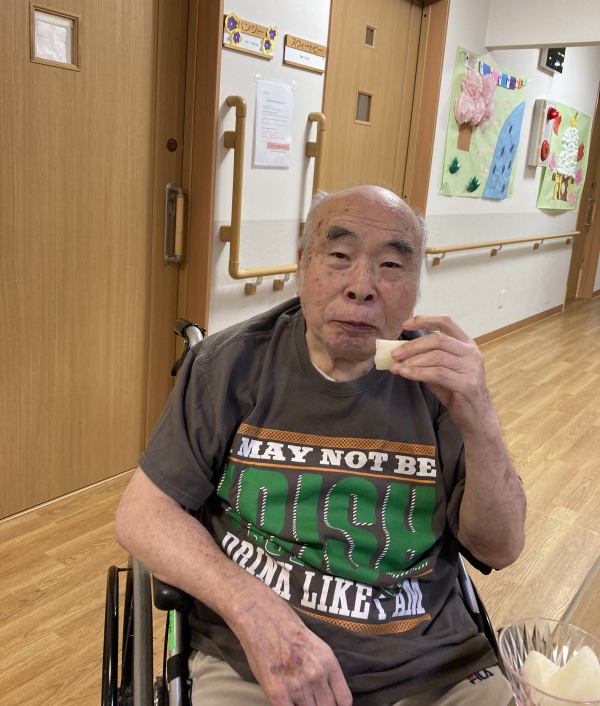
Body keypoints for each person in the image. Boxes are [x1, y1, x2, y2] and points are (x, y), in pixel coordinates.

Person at [116, 185, 526, 706]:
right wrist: (250, 607)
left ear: (417, 284)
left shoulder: (440, 385)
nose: (362, 287)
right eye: (339, 255)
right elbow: (143, 513)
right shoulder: (230, 366)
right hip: (255, 658)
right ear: (302, 264)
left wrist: (481, 422)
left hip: (430, 665)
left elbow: (499, 548)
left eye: (391, 265)